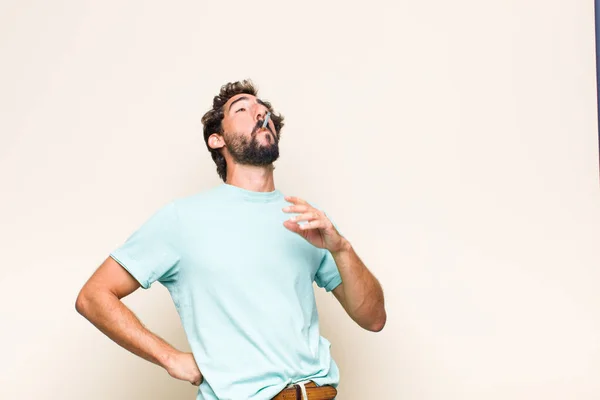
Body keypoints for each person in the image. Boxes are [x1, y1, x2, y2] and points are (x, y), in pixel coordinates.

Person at [75, 80, 386, 400]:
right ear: (216, 139)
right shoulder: (183, 218)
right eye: (242, 108)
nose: (259, 111)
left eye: (263, 109)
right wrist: (170, 358)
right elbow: (94, 296)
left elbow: (373, 319)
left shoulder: (306, 220)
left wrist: (342, 248)